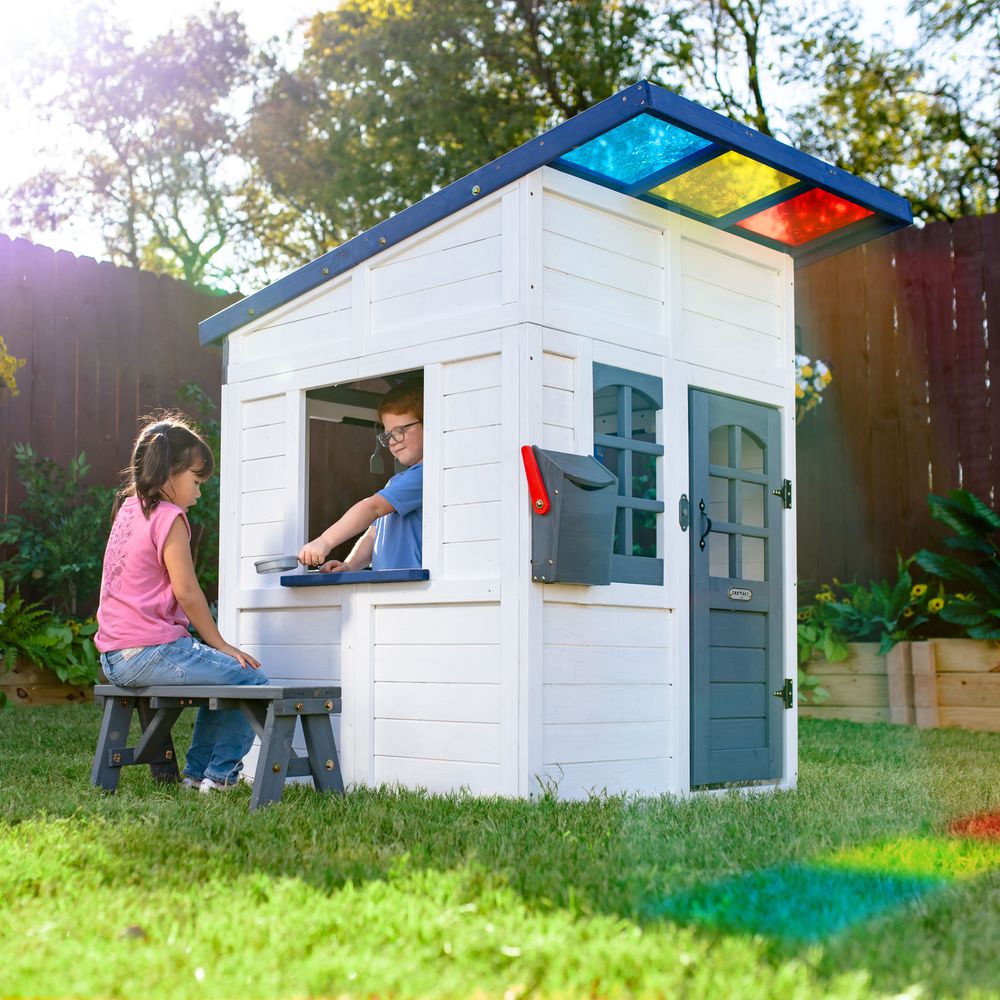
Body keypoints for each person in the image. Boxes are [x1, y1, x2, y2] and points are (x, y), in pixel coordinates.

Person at [95, 413, 268, 793]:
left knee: (220, 677)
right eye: (196, 480)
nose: (199, 491)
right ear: (170, 474)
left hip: (113, 654)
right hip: (148, 650)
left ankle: (194, 777)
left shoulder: (129, 509)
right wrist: (220, 644)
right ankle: (220, 778)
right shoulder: (171, 517)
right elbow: (187, 592)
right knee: (250, 679)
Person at [299, 377, 423, 572]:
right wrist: (349, 566)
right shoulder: (396, 482)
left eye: (401, 430)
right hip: (388, 589)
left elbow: (372, 508)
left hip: (412, 590)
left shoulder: (426, 476)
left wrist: (324, 541)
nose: (393, 441)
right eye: (388, 434)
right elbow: (373, 535)